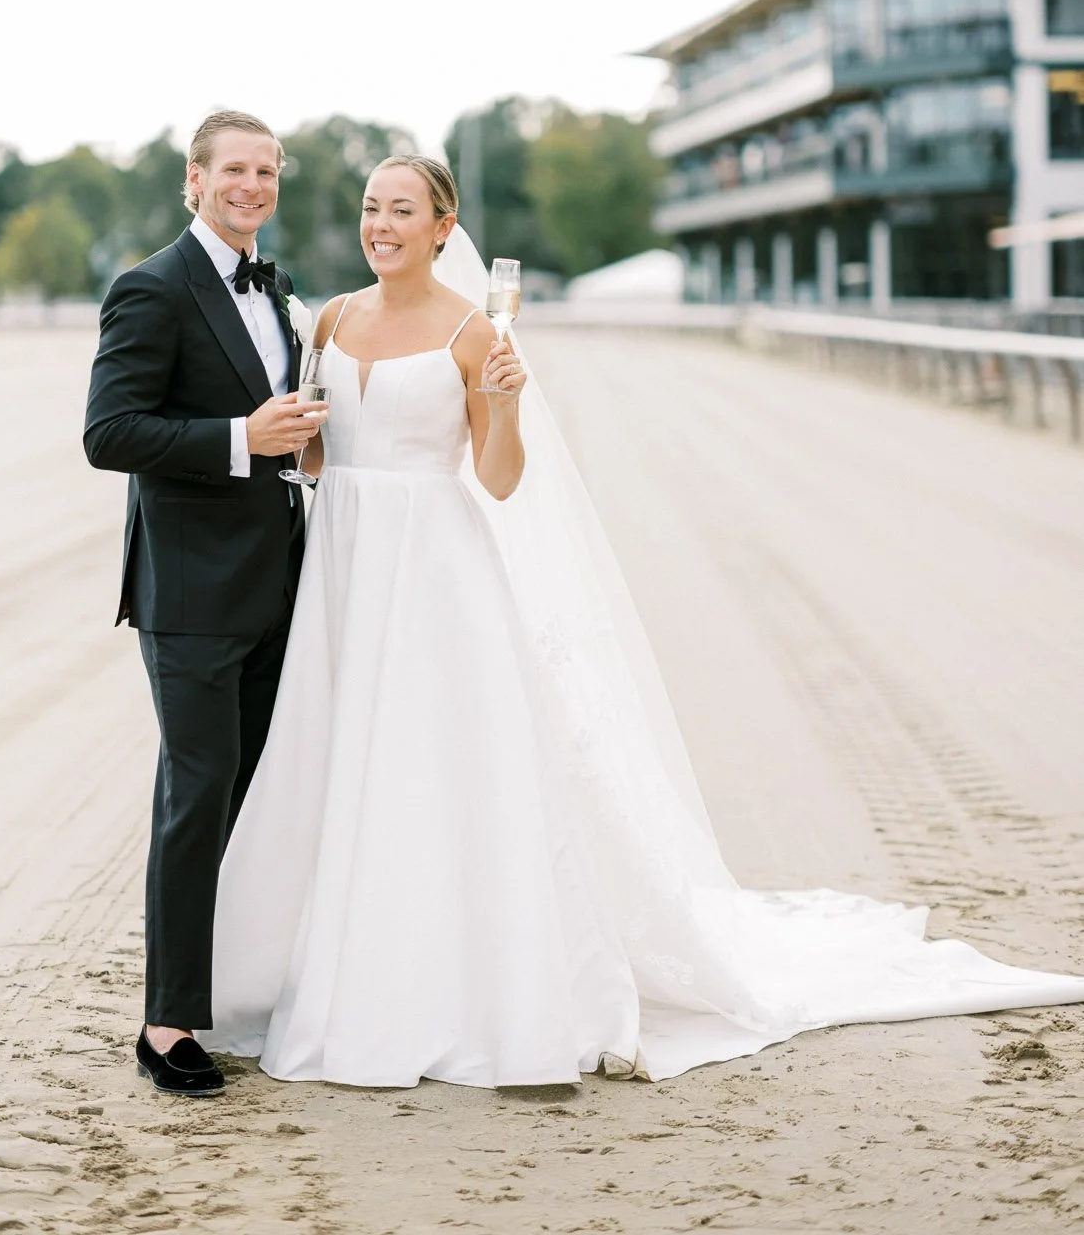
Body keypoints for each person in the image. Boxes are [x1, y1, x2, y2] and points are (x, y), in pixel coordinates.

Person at [199, 154, 1084, 1088]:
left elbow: (499, 479)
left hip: (434, 573)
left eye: (403, 211)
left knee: (431, 764)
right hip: (345, 564)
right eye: (373, 208)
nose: (382, 225)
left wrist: (501, 403)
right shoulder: (330, 319)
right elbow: (317, 465)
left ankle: (438, 985)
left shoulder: (473, 334)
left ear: (441, 223)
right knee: (335, 758)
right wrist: (288, 440)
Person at [83, 109, 326, 1097]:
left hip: (278, 583)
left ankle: (239, 991)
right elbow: (111, 433)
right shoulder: (151, 287)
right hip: (187, 594)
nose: (251, 185)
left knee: (259, 794)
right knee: (198, 795)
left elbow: (288, 420)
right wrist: (240, 440)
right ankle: (168, 1022)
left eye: (267, 171)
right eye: (234, 169)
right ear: (195, 179)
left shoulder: (278, 288)